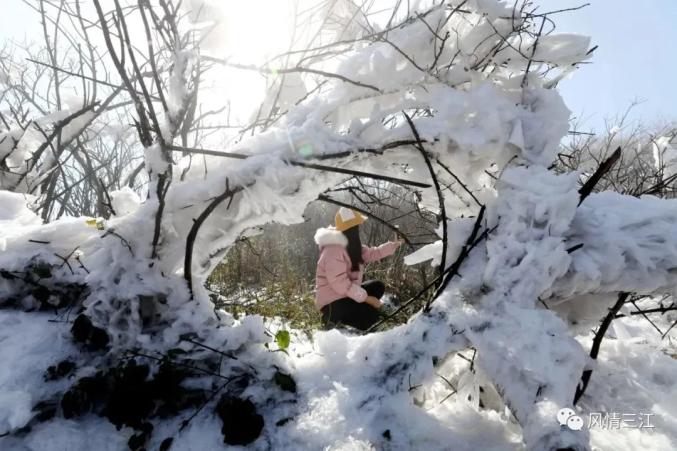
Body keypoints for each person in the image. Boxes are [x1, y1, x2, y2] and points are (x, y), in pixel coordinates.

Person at [314, 207, 403, 331]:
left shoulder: (351, 244)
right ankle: (332, 319)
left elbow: (373, 253)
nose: (358, 229)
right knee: (370, 316)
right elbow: (340, 285)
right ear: (352, 229)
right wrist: (368, 299)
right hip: (332, 302)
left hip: (347, 295)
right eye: (357, 226)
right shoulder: (332, 250)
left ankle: (357, 311)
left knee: (378, 286)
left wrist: (394, 244)